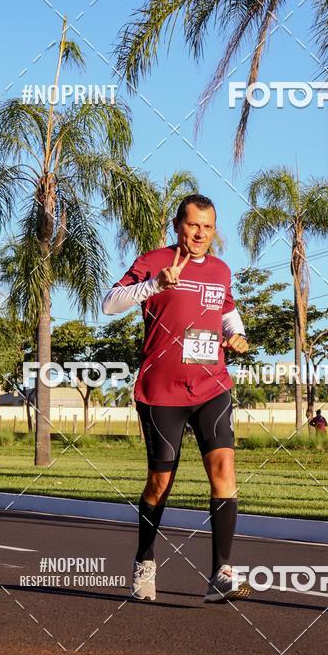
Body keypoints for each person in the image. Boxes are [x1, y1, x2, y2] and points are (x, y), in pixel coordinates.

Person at [102, 194, 250, 604]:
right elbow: (110, 303)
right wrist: (155, 284)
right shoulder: (155, 260)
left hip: (212, 386)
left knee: (224, 469)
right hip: (161, 392)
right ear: (177, 225)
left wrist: (235, 334)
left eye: (207, 226)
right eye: (192, 225)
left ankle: (221, 573)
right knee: (159, 482)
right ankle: (144, 561)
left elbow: (226, 310)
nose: (200, 233)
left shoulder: (220, 270)